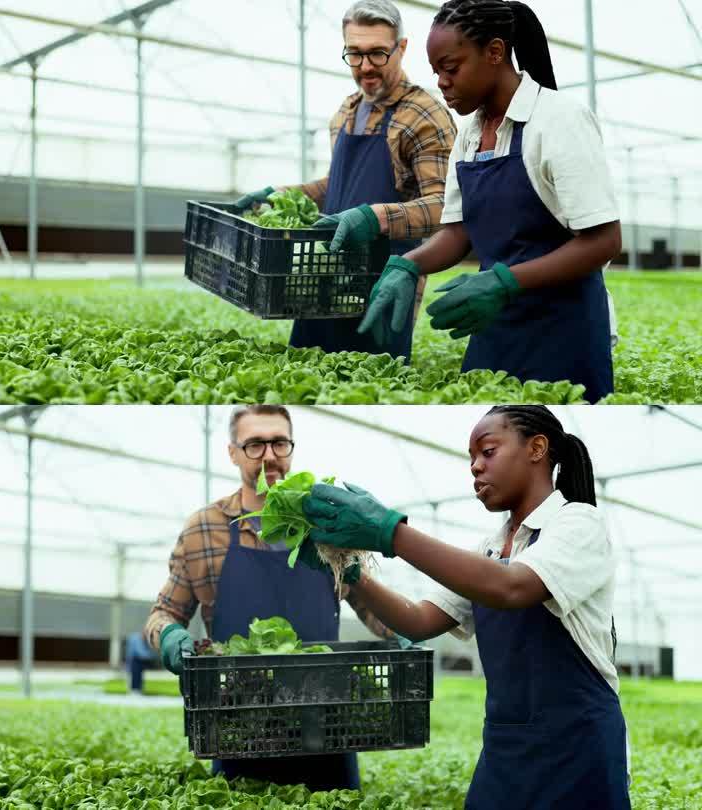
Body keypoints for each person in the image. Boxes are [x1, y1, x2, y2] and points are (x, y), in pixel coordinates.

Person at [299, 405, 628, 808]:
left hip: (577, 745)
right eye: (471, 458)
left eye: (487, 451)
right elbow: (417, 621)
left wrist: (391, 533)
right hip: (506, 745)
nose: (475, 467)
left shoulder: (579, 524)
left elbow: (511, 587)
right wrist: (351, 578)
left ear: (537, 448)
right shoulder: (489, 549)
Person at [357, 0, 622, 402]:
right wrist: (407, 265)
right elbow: (459, 231)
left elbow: (603, 241)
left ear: (495, 53)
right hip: (493, 327)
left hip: (563, 332)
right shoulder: (469, 133)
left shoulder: (558, 120)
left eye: (451, 68)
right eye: (436, 72)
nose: (442, 82)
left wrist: (504, 281)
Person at [146, 405, 400, 792]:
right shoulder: (204, 528)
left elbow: (369, 606)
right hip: (236, 726)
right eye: (255, 444)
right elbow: (165, 612)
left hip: (327, 728)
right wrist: (168, 637)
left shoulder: (324, 525)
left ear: (291, 448)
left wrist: (409, 627)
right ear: (233, 453)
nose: (269, 455)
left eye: (279, 443)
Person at [233, 0, 457, 360]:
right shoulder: (346, 111)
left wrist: (375, 218)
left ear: (401, 48)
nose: (366, 67)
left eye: (378, 54)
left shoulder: (424, 114)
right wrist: (282, 195)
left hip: (384, 286)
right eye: (354, 54)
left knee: (370, 380)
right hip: (319, 281)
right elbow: (335, 188)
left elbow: (445, 205)